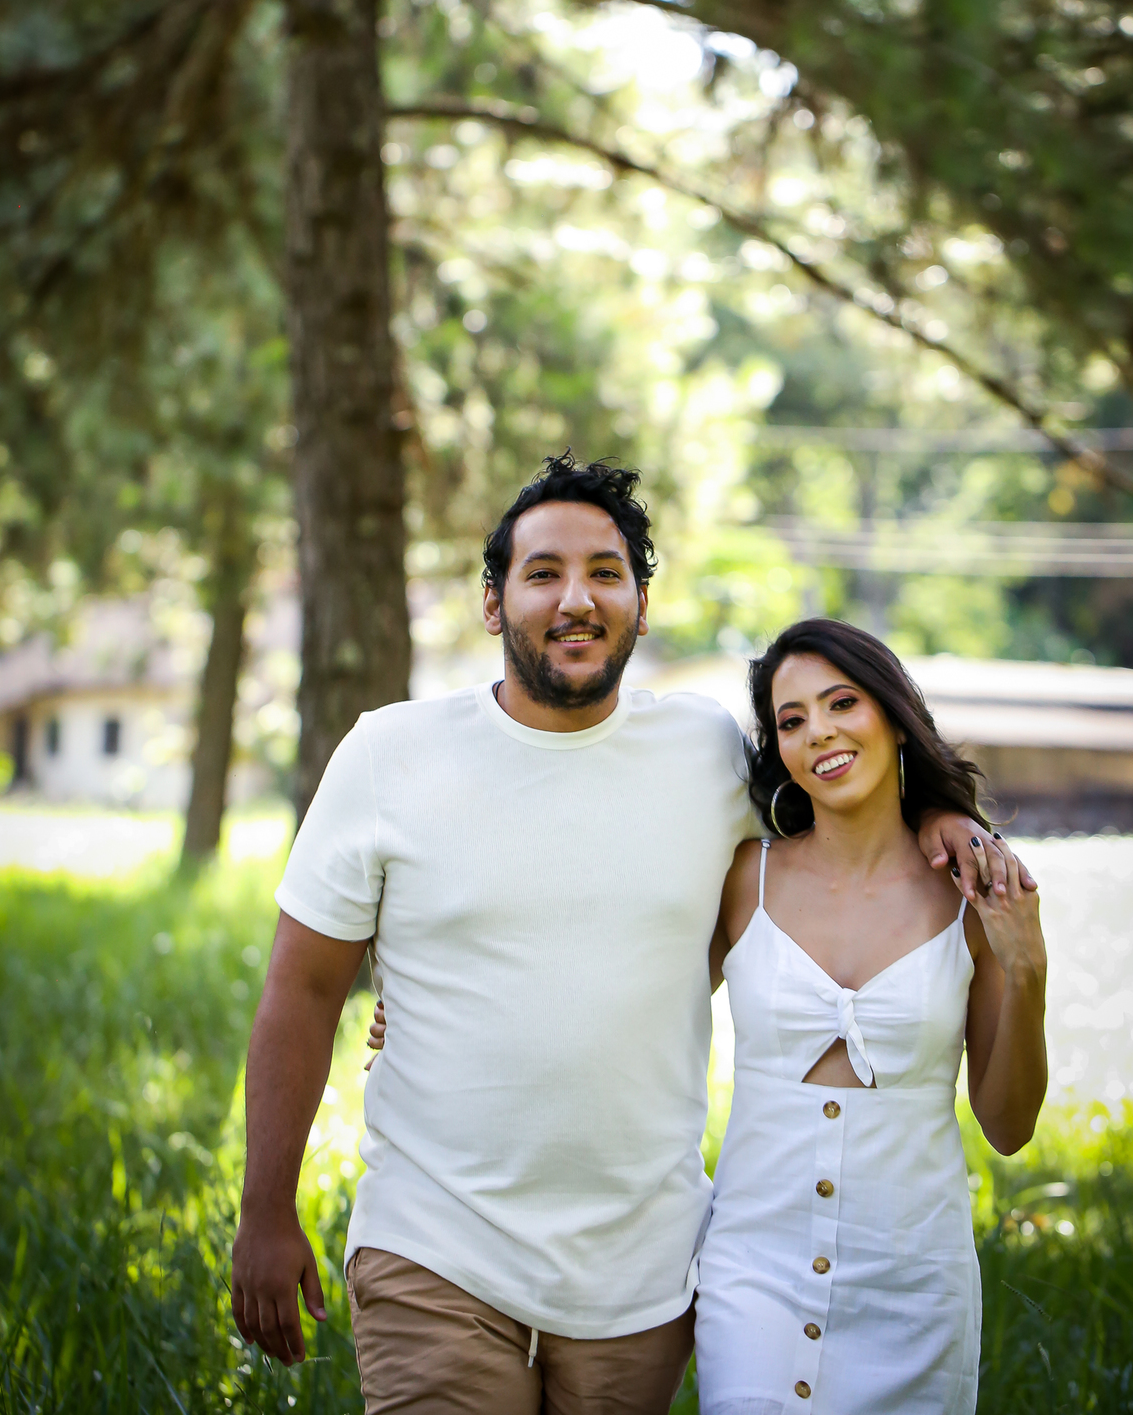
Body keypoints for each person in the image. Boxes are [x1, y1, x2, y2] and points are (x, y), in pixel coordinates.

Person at [230, 455, 1022, 1414]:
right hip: (435, 1246)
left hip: (640, 1279)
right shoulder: (389, 754)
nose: (577, 598)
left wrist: (947, 822)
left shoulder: (703, 754)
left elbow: (837, 811)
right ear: (492, 603)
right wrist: (264, 1211)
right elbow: (301, 991)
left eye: (607, 573)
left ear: (642, 607)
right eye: (543, 573)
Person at [695, 618, 1048, 1415]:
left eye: (841, 702)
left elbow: (1010, 1124)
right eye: (791, 721)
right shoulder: (742, 879)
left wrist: (1026, 971)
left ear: (891, 713)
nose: (818, 731)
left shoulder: (974, 898)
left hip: (914, 1290)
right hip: (753, 1273)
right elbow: (637, 1008)